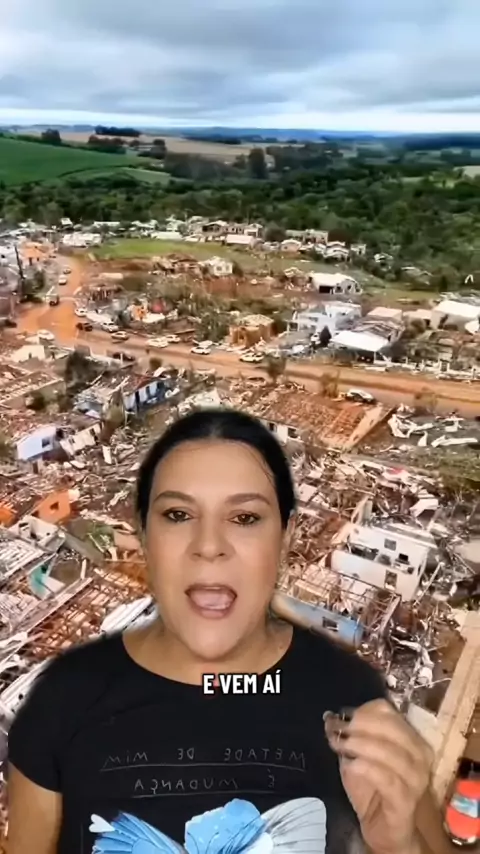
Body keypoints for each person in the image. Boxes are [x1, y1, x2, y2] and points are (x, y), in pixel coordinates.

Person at [7, 409, 452, 854]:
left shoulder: (351, 698)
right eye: (178, 514)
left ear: (286, 536)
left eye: (245, 518)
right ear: (143, 533)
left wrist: (398, 845)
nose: (209, 546)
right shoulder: (62, 703)